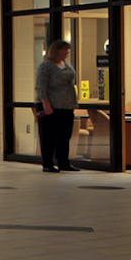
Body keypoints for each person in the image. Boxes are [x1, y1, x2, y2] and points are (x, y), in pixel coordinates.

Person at [35, 39, 80, 173]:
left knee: (65, 136)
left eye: (68, 50)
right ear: (56, 51)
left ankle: (64, 162)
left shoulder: (66, 64)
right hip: (52, 106)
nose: (67, 52)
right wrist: (46, 104)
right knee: (49, 136)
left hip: (66, 106)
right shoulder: (46, 66)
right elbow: (41, 86)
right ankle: (47, 163)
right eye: (64, 50)